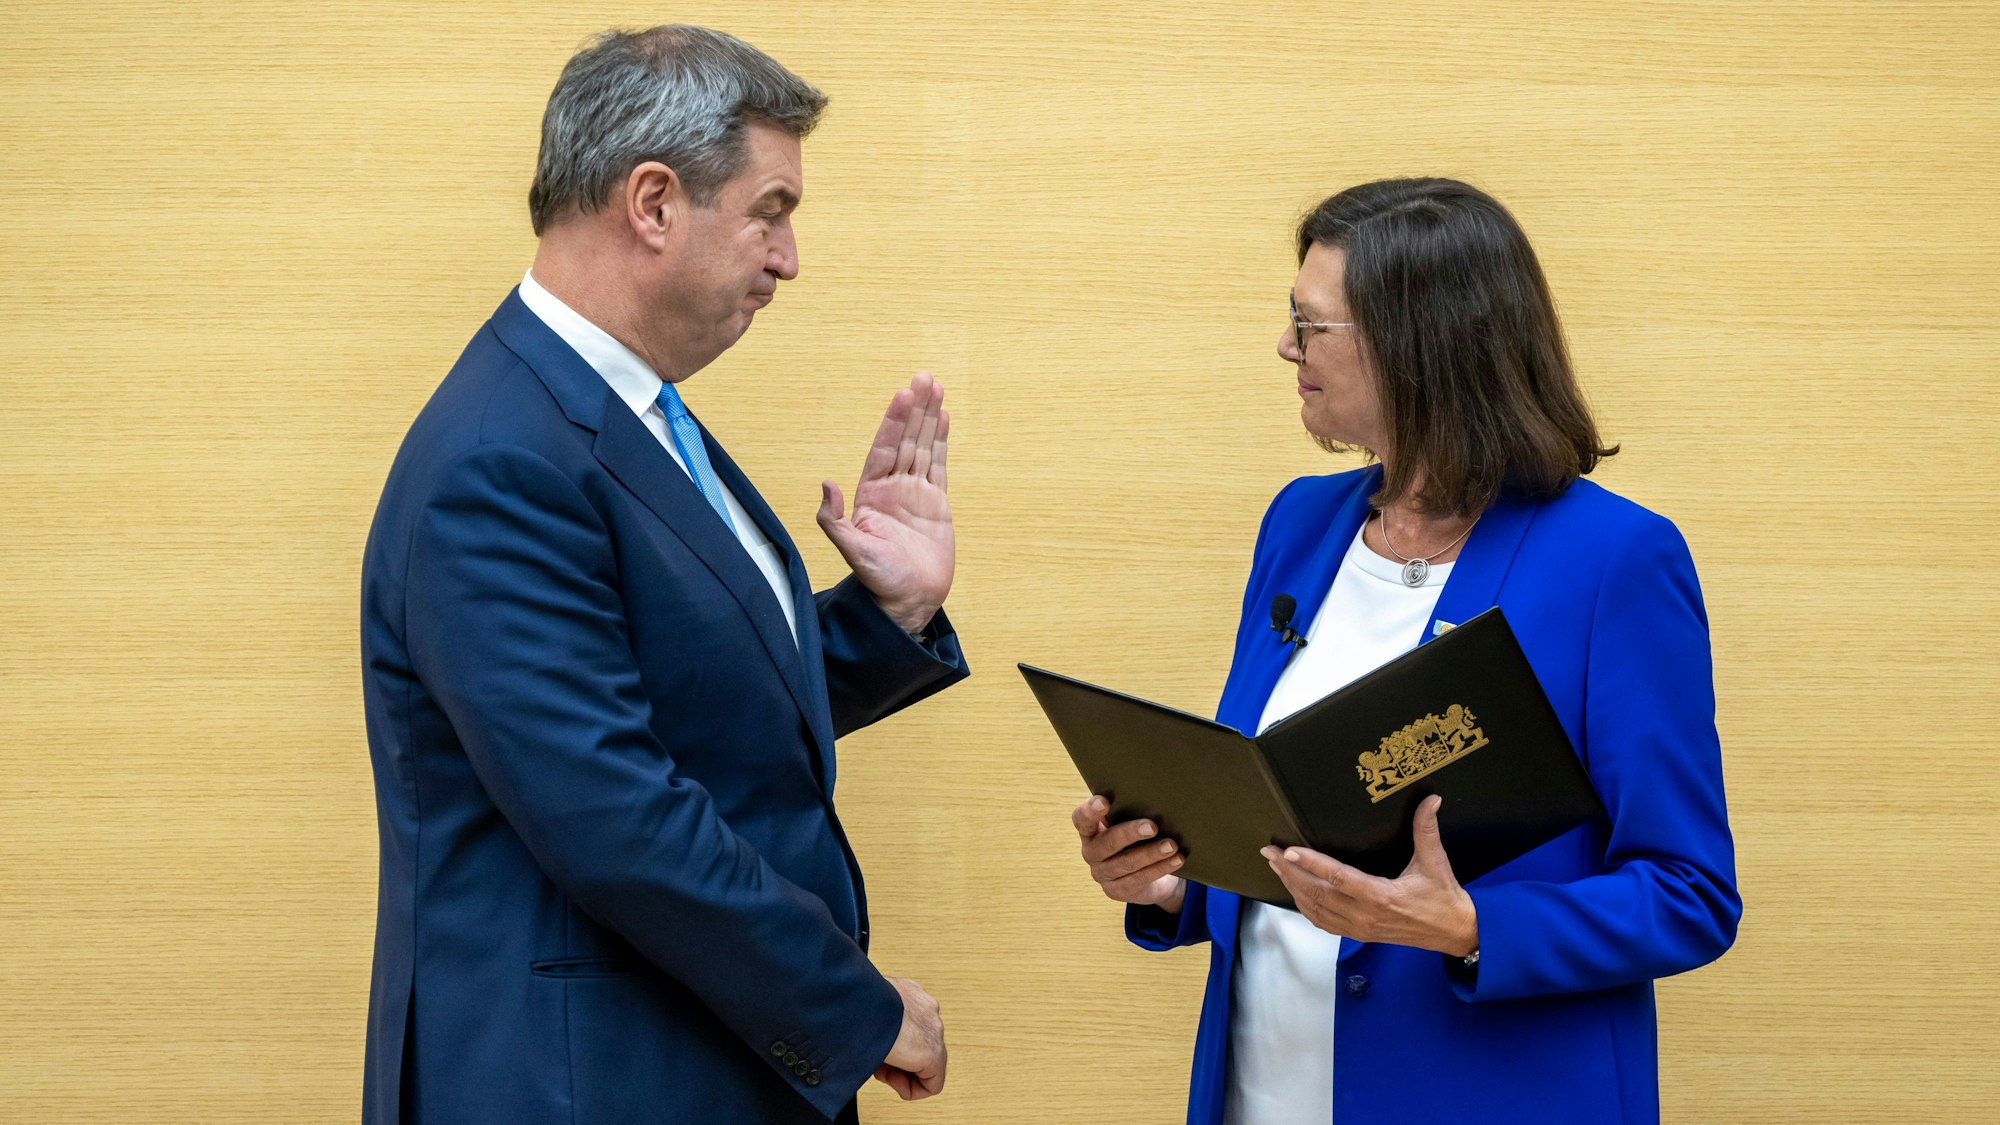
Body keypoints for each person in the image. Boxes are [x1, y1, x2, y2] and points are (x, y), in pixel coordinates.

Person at [359, 26, 967, 1124]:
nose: (788, 260)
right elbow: (619, 821)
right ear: (652, 203)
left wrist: (892, 615)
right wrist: (857, 1008)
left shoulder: (619, 414)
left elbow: (688, 698)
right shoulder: (502, 460)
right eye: (770, 213)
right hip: (585, 1082)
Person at [1069, 178, 1740, 1124]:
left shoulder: (1614, 562)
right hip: (1262, 1094)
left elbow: (1690, 893)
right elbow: (1279, 819)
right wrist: (1170, 880)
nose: (1285, 348)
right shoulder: (1300, 524)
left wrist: (1468, 926)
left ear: (1415, 347)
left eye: (1310, 326)